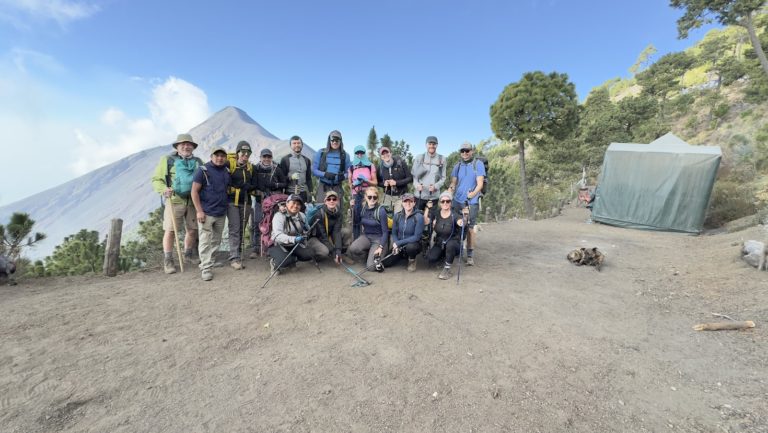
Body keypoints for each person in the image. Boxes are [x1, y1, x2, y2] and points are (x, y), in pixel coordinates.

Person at [151, 133, 205, 274]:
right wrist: (163, 189)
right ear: (177, 147)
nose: (186, 146)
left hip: (193, 201)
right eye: (183, 144)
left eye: (189, 144)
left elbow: (206, 178)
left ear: (193, 147)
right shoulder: (168, 160)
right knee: (170, 231)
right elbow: (157, 179)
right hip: (174, 200)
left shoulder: (198, 161)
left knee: (192, 230)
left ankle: (188, 254)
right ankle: (168, 260)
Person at [191, 147, 231, 281]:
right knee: (205, 240)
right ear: (211, 156)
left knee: (216, 240)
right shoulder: (203, 171)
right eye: (217, 155)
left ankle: (211, 261)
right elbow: (194, 191)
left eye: (222, 156)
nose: (220, 158)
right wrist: (199, 211)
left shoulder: (226, 170)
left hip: (221, 211)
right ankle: (206, 267)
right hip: (206, 212)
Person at [449, 142, 485, 266]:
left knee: (470, 228)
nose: (465, 153)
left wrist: (473, 194)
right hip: (457, 200)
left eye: (467, 150)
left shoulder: (478, 164)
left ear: (472, 151)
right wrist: (450, 190)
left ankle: (470, 255)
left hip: (471, 202)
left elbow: (480, 183)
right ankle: (457, 249)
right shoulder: (457, 166)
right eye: (462, 151)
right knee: (456, 224)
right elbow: (454, 182)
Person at [250, 148, 288, 258]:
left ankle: (270, 247)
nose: (266, 159)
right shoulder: (255, 169)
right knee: (257, 222)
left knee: (272, 223)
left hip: (273, 201)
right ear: (260, 157)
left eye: (269, 157)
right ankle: (256, 248)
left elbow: (284, 183)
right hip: (259, 199)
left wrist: (274, 185)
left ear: (271, 158)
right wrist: (257, 190)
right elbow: (252, 183)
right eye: (264, 157)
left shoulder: (277, 169)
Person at [226, 141, 255, 270]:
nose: (245, 155)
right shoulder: (229, 164)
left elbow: (253, 182)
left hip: (246, 201)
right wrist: (235, 186)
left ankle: (237, 252)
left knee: (242, 228)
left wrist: (251, 187)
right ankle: (234, 257)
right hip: (232, 201)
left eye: (248, 153)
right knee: (234, 228)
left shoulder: (250, 167)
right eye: (243, 152)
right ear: (237, 153)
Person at [269, 194, 314, 273]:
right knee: (284, 261)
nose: (295, 206)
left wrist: (307, 230)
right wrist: (294, 239)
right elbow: (278, 236)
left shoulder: (302, 216)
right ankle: (274, 262)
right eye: (293, 203)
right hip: (278, 244)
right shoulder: (279, 216)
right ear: (287, 203)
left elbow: (306, 231)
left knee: (310, 254)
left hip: (293, 243)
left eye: (298, 204)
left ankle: (291, 259)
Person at [426, 191, 467, 279]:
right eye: (443, 201)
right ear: (440, 202)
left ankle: (447, 269)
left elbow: (461, 222)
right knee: (431, 258)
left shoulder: (454, 215)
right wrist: (427, 208)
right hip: (440, 242)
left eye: (447, 201)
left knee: (450, 245)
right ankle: (444, 257)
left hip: (453, 242)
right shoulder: (436, 213)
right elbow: (426, 221)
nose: (445, 203)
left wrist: (465, 217)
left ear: (451, 203)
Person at [348, 186, 389, 272]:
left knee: (371, 268)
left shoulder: (381, 211)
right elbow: (356, 221)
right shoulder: (363, 208)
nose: (372, 199)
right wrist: (353, 208)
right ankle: (369, 256)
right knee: (353, 248)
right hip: (366, 236)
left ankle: (379, 257)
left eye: (375, 197)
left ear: (377, 198)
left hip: (379, 239)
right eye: (369, 197)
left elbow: (385, 232)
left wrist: (380, 247)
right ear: (365, 197)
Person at [306, 190, 351, 264]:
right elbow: (322, 235)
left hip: (328, 235)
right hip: (316, 237)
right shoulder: (319, 214)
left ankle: (340, 255)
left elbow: (336, 232)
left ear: (337, 201)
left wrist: (338, 250)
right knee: (324, 252)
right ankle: (313, 257)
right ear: (325, 201)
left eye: (334, 199)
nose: (331, 201)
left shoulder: (338, 213)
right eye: (329, 199)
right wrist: (333, 252)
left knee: (346, 232)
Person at [382, 193, 424, 272]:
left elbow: (416, 237)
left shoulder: (419, 217)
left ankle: (412, 260)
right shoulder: (397, 216)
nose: (408, 203)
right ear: (402, 202)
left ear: (414, 203)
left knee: (410, 248)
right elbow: (394, 232)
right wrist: (397, 244)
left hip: (413, 244)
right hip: (400, 245)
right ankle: (402, 255)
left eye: (410, 201)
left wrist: (398, 243)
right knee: (385, 263)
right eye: (405, 201)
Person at [312, 130, 351, 203]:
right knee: (321, 209)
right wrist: (325, 174)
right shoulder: (321, 153)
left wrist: (343, 176)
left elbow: (349, 172)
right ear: (329, 141)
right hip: (323, 187)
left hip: (337, 187)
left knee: (337, 210)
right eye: (332, 140)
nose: (335, 142)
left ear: (340, 141)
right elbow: (314, 170)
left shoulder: (345, 155)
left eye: (337, 140)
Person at [349, 145, 378, 239]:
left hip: (368, 195)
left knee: (367, 217)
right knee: (356, 218)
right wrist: (355, 184)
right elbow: (350, 184)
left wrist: (366, 181)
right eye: (357, 153)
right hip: (356, 194)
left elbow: (375, 182)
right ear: (355, 154)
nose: (359, 155)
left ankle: (368, 239)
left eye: (361, 152)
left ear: (364, 153)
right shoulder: (351, 166)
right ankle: (356, 241)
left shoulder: (370, 166)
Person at [411, 135, 447, 211]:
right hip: (419, 196)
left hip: (433, 197)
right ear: (426, 145)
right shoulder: (419, 158)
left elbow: (443, 178)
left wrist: (436, 186)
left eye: (434, 144)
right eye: (429, 144)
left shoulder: (442, 159)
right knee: (418, 219)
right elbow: (414, 176)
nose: (432, 146)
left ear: (437, 145)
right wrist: (417, 185)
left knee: (431, 220)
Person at [377, 145, 412, 214]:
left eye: (387, 153)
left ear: (391, 153)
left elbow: (410, 178)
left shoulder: (401, 163)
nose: (385, 155)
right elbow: (378, 182)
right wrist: (384, 184)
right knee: (386, 218)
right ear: (381, 157)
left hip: (401, 196)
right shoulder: (380, 167)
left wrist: (396, 183)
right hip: (387, 196)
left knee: (397, 217)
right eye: (383, 154)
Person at [279, 135, 313, 205]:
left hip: (304, 194)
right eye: (294, 143)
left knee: (303, 214)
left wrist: (311, 193)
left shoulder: (307, 160)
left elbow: (308, 178)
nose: (297, 145)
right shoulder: (285, 160)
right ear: (290, 146)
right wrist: (291, 177)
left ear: (302, 145)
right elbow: (281, 179)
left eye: (298, 143)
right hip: (290, 193)